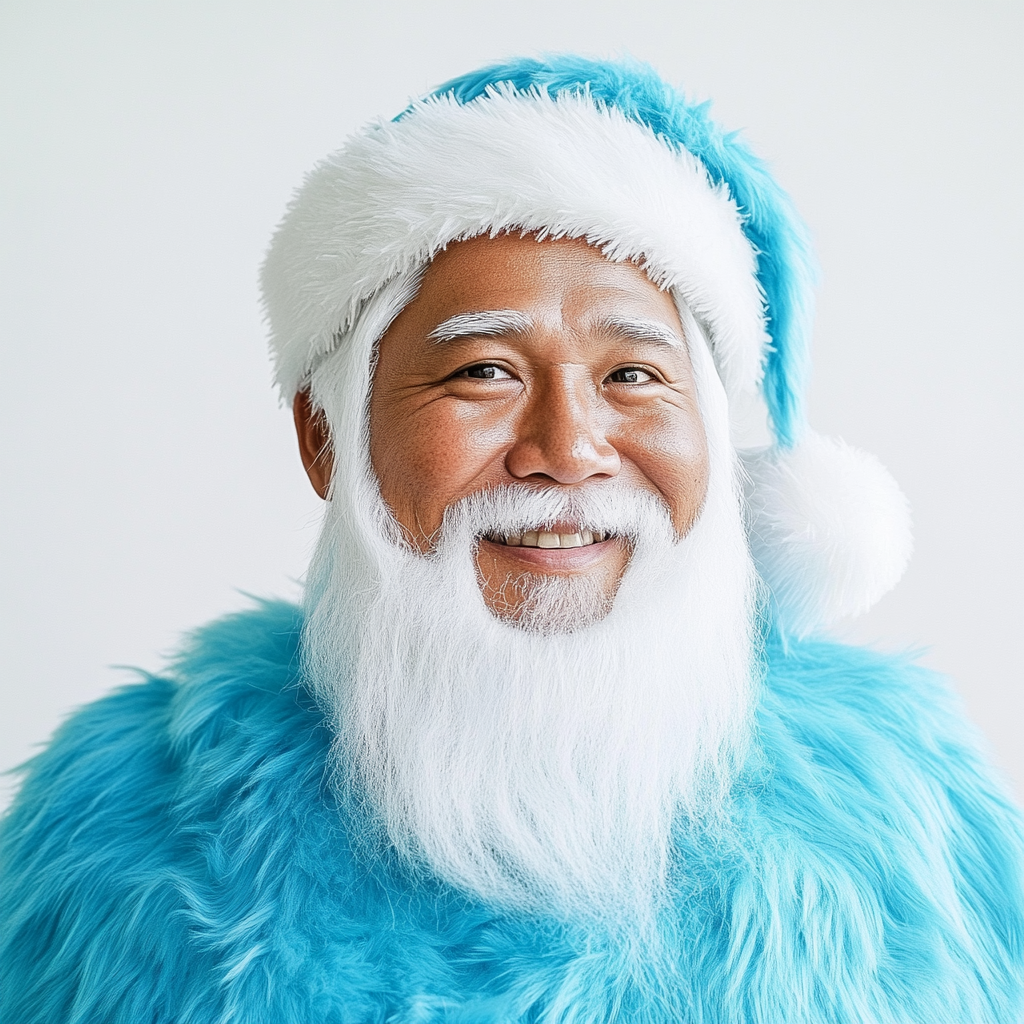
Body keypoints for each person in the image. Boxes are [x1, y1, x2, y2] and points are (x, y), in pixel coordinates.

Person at [1, 54, 1022, 1024]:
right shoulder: (131, 829)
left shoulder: (903, 810)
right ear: (327, 437)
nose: (567, 449)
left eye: (633, 375)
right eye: (482, 371)